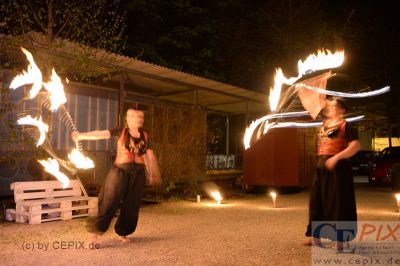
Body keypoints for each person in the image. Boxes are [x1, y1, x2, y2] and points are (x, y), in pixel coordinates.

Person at [72, 107, 161, 246]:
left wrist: (152, 172)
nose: (138, 119)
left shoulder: (145, 135)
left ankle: (123, 232)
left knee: (132, 205)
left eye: (140, 117)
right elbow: (101, 134)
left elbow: (149, 155)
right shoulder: (121, 131)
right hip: (120, 171)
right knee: (109, 201)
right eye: (135, 116)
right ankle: (95, 234)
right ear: (128, 118)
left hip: (138, 173)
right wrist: (81, 135)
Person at [304, 97, 360, 250]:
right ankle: (314, 236)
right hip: (321, 166)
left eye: (334, 105)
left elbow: (355, 146)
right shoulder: (324, 124)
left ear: (343, 110)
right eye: (330, 105)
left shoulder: (346, 125)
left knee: (337, 203)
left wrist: (336, 158)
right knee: (316, 200)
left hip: (338, 167)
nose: (330, 107)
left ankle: (341, 239)